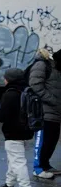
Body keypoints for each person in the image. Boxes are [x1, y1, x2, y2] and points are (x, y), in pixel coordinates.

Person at [0, 68, 35, 187]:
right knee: (13, 159)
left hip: (13, 132)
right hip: (27, 131)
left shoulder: (10, 94)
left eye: (5, 77)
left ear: (10, 79)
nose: (4, 79)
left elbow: (1, 117)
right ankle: (9, 185)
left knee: (18, 162)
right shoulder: (27, 90)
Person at [28, 48, 61, 179]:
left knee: (52, 140)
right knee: (42, 141)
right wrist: (52, 100)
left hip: (56, 112)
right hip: (43, 112)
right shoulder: (43, 65)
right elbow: (35, 85)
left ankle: (45, 164)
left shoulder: (57, 69)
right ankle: (38, 168)